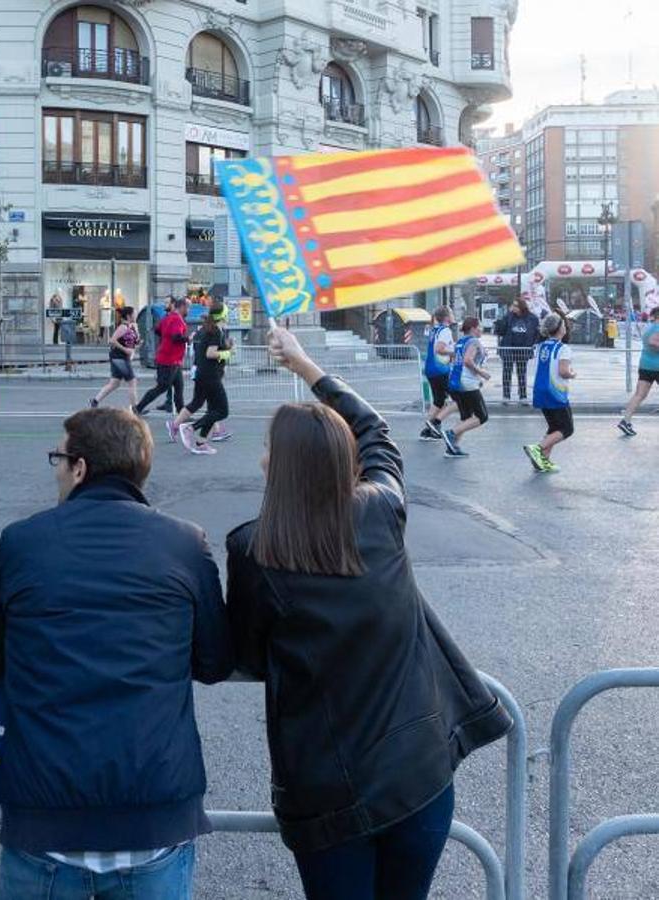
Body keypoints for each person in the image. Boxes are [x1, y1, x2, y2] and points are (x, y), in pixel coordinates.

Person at [225, 327, 512, 900]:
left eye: (266, 449)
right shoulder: (381, 511)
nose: (260, 459)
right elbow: (375, 431)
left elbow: (249, 656)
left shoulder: (256, 550)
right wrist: (307, 366)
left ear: (280, 469)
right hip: (420, 773)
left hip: (330, 791)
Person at [0, 406, 233, 900]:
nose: (56, 470)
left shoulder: (22, 542)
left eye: (58, 458)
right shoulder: (184, 543)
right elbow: (216, 661)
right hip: (154, 812)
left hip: (45, 817)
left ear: (81, 467)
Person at [170, 302, 232, 455]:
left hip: (202, 373)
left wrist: (226, 349)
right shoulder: (215, 331)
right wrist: (226, 354)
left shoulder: (207, 329)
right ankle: (190, 427)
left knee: (209, 408)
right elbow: (210, 353)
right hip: (210, 375)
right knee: (222, 411)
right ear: (223, 315)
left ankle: (201, 442)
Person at [525, 313, 576, 474]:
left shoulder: (541, 346)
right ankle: (537, 448)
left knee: (554, 427)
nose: (565, 327)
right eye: (563, 325)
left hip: (540, 390)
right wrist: (572, 374)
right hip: (556, 392)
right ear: (560, 328)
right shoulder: (563, 348)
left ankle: (542, 461)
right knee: (567, 429)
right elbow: (563, 371)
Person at [442, 317, 491, 459]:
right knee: (482, 416)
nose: (481, 330)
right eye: (480, 327)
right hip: (467, 383)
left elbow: (457, 360)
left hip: (455, 381)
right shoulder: (473, 342)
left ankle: (453, 448)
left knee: (466, 416)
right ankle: (451, 433)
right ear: (473, 328)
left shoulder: (460, 342)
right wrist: (482, 373)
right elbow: (468, 361)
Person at [134, 297, 189, 416]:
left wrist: (165, 338)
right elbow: (176, 337)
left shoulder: (167, 317)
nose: (188, 310)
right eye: (187, 307)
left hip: (172, 359)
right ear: (182, 307)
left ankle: (181, 415)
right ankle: (138, 408)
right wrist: (188, 338)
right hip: (169, 360)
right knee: (162, 387)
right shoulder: (176, 319)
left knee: (179, 387)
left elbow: (157, 329)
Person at [89, 306, 140, 410]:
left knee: (115, 383)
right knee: (132, 381)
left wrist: (137, 333)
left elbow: (134, 343)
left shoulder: (131, 327)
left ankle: (95, 401)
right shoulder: (123, 327)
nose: (136, 315)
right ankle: (135, 408)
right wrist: (125, 350)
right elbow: (112, 340)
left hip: (122, 357)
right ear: (129, 316)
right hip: (119, 357)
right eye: (135, 313)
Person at [617, 311, 659, 436]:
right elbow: (653, 342)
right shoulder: (657, 328)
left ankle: (625, 421)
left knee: (639, 395)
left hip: (645, 365)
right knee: (640, 395)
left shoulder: (649, 327)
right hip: (657, 367)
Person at [419, 307, 457, 441]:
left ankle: (428, 430)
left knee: (439, 401)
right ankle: (436, 422)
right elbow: (439, 349)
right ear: (447, 317)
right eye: (451, 313)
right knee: (459, 398)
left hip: (431, 369)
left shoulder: (435, 329)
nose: (453, 315)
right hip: (440, 370)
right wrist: (454, 353)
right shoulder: (445, 331)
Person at [496, 298, 540, 404]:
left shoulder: (532, 318)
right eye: (513, 305)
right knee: (507, 372)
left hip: (523, 349)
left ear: (521, 307)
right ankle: (506, 395)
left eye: (516, 306)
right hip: (509, 347)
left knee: (522, 372)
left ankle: (523, 395)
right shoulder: (508, 316)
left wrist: (532, 344)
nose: (514, 308)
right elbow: (500, 331)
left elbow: (536, 332)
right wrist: (502, 318)